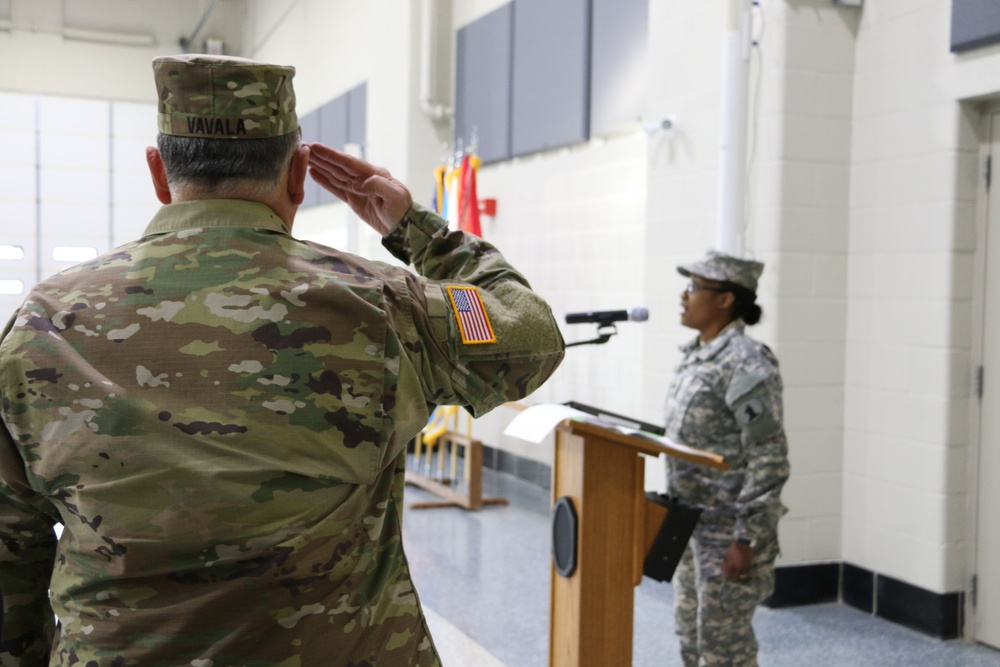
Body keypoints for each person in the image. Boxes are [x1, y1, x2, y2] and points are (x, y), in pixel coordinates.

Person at [0, 54, 564, 666]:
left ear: (158, 173)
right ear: (299, 175)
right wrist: (416, 229)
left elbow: (11, 554)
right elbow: (530, 334)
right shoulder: (380, 305)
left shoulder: (43, 322)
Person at [662, 250, 790, 667]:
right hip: (689, 524)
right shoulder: (695, 355)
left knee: (724, 651)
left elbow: (769, 455)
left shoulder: (745, 363)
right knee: (691, 637)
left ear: (725, 299)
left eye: (695, 287)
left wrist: (747, 538)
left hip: (727, 530)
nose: (684, 295)